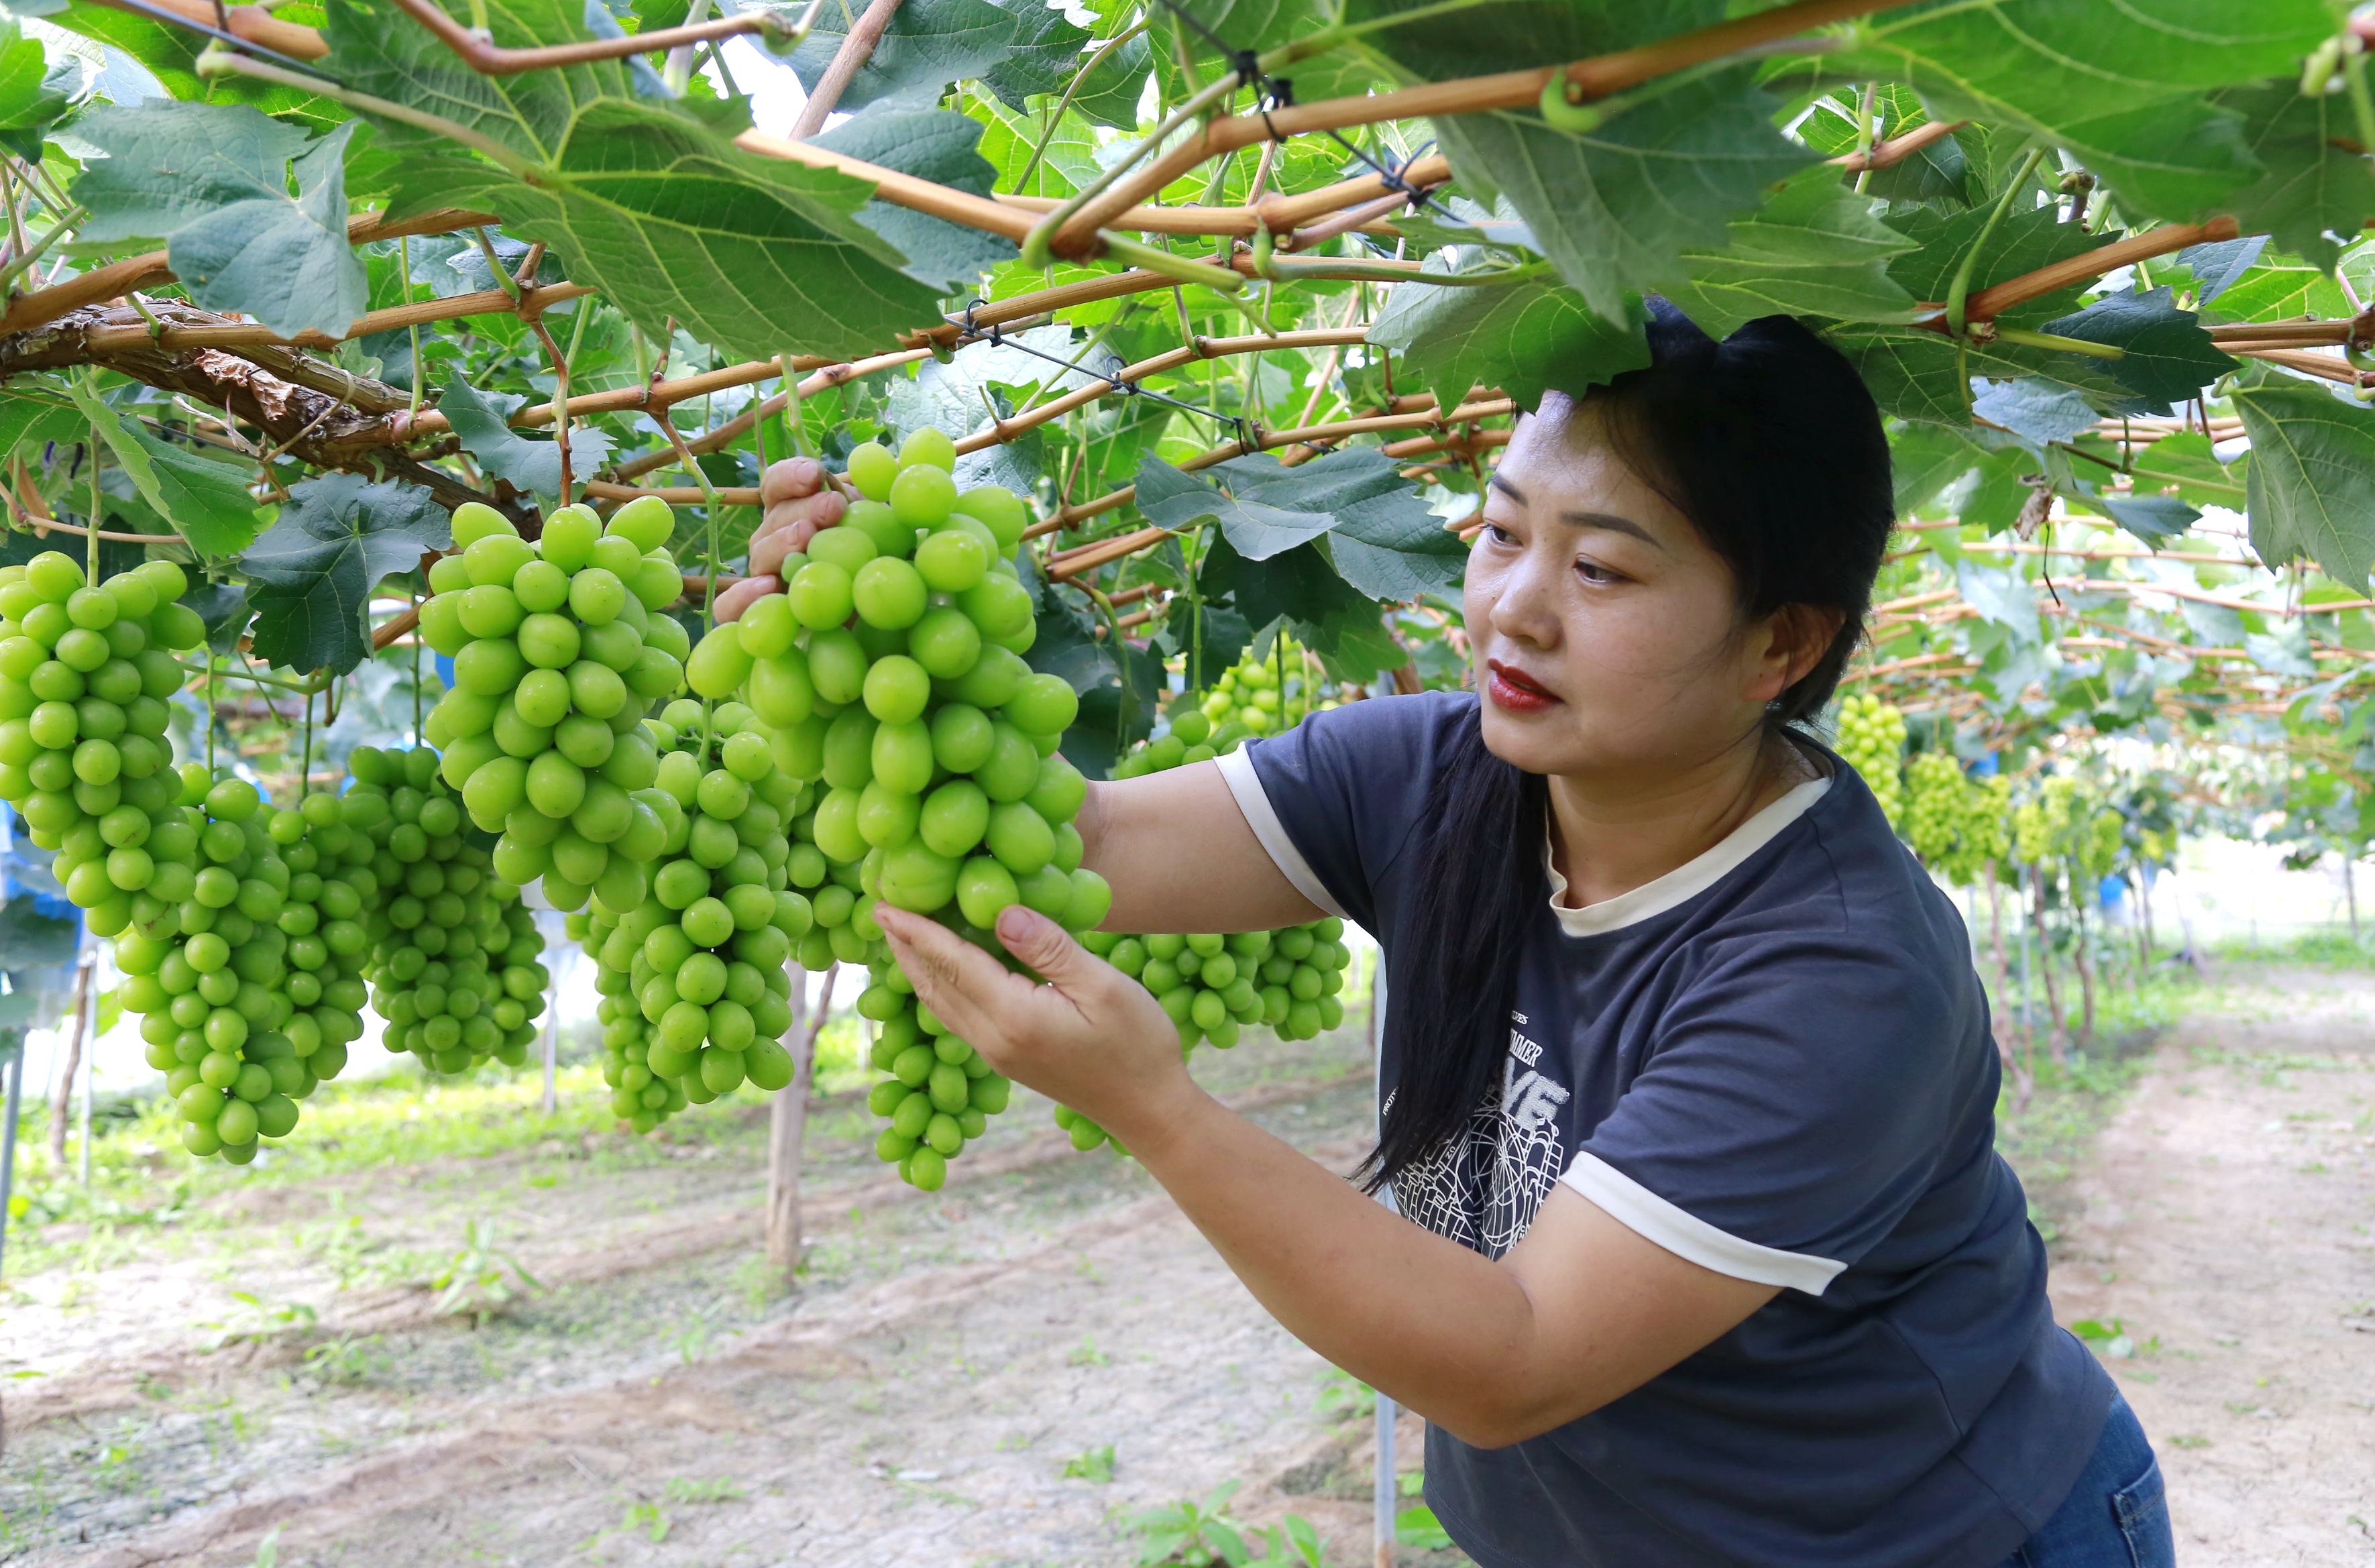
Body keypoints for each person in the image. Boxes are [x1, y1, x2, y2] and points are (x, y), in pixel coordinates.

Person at [717, 304, 2170, 1568]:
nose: (1512, 607)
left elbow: (1515, 1356)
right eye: (1497, 532)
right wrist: (867, 653)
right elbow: (1082, 843)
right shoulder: (1429, 773)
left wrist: (1156, 1111)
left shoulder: (1842, 975)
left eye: (1599, 570)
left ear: (1779, 645)